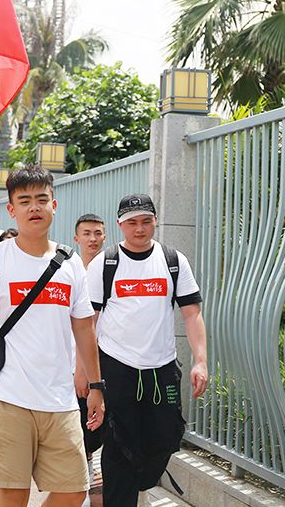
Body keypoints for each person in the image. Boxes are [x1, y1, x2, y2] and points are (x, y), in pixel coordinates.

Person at [0, 165, 106, 507]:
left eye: (42, 199)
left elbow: (84, 327)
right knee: (12, 494)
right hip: (9, 398)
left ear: (54, 205)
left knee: (73, 491)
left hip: (60, 400)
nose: (34, 207)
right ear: (11, 209)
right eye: (24, 201)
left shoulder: (69, 263)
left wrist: (96, 387)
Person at [86, 193, 208, 507]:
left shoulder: (173, 260)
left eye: (145, 221)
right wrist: (85, 373)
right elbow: (89, 322)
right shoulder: (106, 263)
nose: (139, 229)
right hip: (117, 367)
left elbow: (192, 313)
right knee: (118, 444)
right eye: (131, 223)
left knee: (166, 437)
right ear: (120, 225)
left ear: (154, 221)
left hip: (162, 367)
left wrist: (201, 361)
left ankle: (141, 482)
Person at [72, 213, 107, 505]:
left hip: (101, 364)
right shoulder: (69, 270)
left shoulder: (112, 268)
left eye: (97, 233)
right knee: (78, 432)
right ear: (77, 238)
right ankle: (81, 489)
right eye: (87, 233)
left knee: (97, 429)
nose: (92, 239)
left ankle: (94, 484)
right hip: (70, 367)